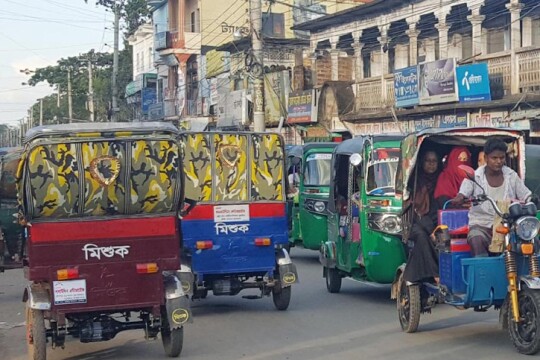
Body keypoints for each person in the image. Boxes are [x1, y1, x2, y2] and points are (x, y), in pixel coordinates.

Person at [451, 138, 532, 257]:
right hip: (481, 225)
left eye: (502, 158)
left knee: (530, 241)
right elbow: (463, 192)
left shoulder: (511, 176)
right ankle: (482, 272)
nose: (499, 161)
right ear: (486, 158)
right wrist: (460, 197)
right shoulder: (475, 176)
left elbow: (526, 195)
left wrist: (531, 199)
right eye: (494, 158)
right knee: (476, 238)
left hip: (507, 225)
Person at [403, 150, 442, 284]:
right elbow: (416, 209)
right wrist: (431, 230)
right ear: (422, 163)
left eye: (434, 162)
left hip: (435, 220)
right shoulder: (415, 180)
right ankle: (436, 274)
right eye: (428, 161)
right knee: (422, 237)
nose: (431, 165)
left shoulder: (441, 179)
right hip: (414, 221)